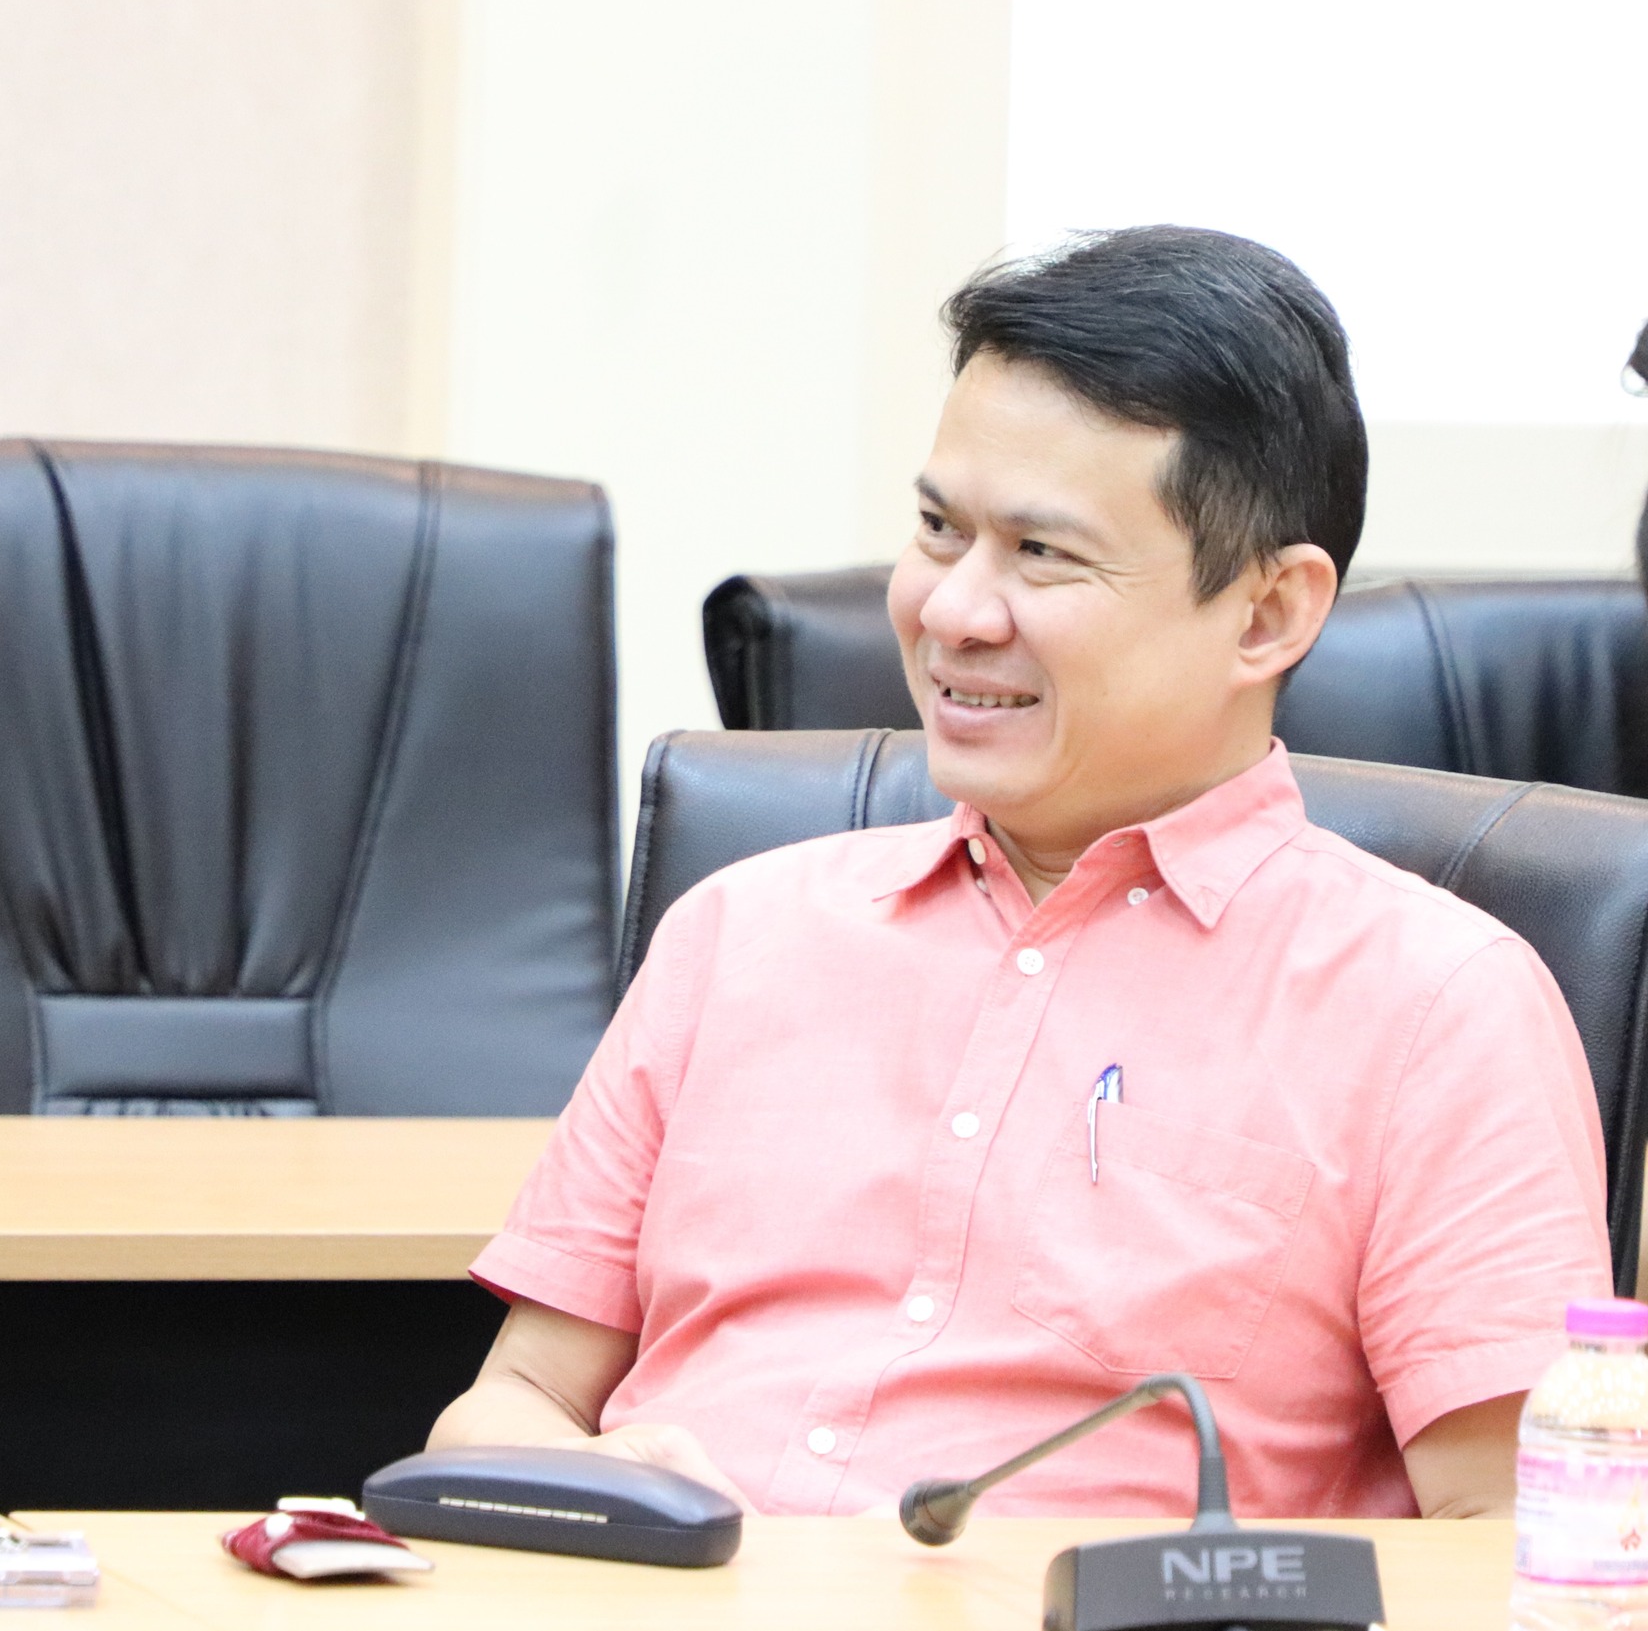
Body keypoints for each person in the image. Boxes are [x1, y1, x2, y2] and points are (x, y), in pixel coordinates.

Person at [432, 226, 1609, 1520]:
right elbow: (515, 1397)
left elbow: (1513, 1546)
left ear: (1268, 613)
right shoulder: (737, 931)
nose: (952, 611)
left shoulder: (1436, 1008)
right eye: (940, 530)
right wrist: (576, 1477)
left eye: (1043, 554)